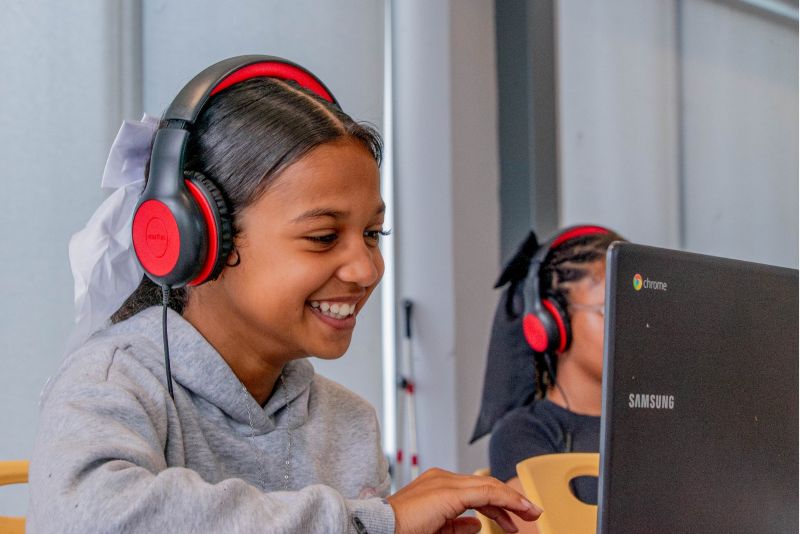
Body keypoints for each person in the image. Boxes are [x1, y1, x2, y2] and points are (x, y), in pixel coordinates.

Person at [28, 56, 541, 534]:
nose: (365, 269)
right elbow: (92, 519)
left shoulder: (347, 420)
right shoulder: (111, 382)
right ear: (200, 238)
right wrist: (375, 523)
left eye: (372, 234)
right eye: (322, 237)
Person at [471, 225, 625, 534]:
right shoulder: (523, 434)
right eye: (610, 310)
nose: (632, 325)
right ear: (553, 323)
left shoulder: (662, 424)